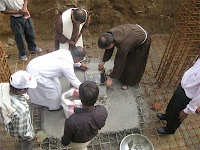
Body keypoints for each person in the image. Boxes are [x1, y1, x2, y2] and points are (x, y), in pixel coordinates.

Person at [26, 46, 88, 111]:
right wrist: (85, 88)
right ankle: (55, 107)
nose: (80, 61)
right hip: (37, 74)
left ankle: (40, 100)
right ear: (77, 58)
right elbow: (74, 80)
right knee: (54, 90)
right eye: (80, 60)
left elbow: (69, 62)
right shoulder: (67, 66)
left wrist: (79, 65)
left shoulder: (65, 52)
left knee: (44, 88)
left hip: (34, 64)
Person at [98, 24, 151, 90]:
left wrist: (111, 78)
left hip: (141, 41)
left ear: (111, 44)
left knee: (132, 63)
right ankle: (117, 73)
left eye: (107, 47)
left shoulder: (124, 45)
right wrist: (103, 61)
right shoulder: (108, 35)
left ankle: (128, 82)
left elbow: (119, 61)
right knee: (124, 58)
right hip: (131, 36)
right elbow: (108, 49)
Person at [157, 57, 200, 134]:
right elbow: (193, 71)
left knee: (177, 115)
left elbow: (199, 96)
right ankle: (167, 116)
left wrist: (188, 110)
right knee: (171, 105)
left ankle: (169, 130)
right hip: (182, 88)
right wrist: (183, 81)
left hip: (187, 97)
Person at [62, 81, 108, 150]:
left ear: (79, 97)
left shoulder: (71, 121)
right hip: (91, 137)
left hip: (77, 143)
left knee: (80, 148)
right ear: (97, 97)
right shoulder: (102, 110)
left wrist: (64, 143)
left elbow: (67, 138)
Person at [0, 70, 37, 150]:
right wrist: (32, 136)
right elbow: (24, 133)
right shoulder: (22, 110)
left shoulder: (2, 86)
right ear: (22, 90)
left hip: (9, 125)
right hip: (19, 132)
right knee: (27, 143)